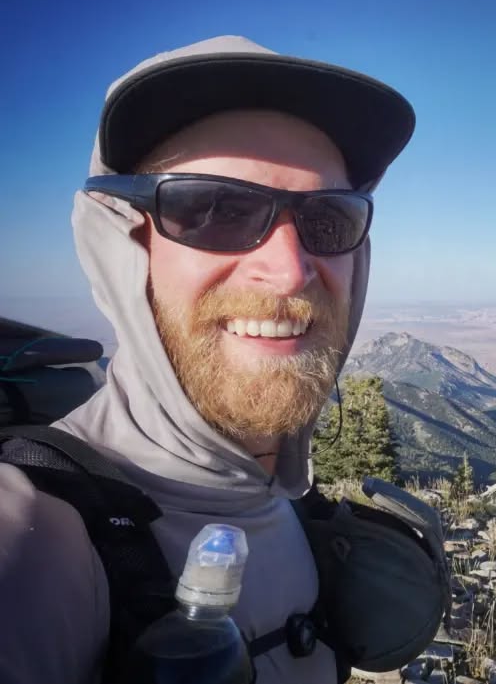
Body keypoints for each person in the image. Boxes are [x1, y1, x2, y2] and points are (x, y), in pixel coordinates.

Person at [0, 35, 417, 684]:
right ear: (121, 244)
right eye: (216, 209)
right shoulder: (36, 535)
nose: (288, 269)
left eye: (328, 220)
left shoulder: (292, 509)